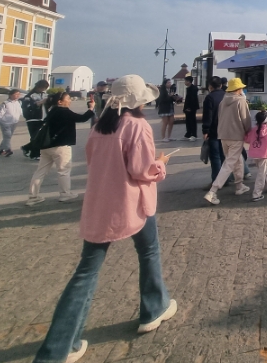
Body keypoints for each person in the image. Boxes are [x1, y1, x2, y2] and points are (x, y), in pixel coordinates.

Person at [31, 75, 176, 363]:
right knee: (148, 252)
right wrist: (161, 164)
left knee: (86, 273)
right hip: (134, 203)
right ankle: (152, 310)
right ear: (139, 102)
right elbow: (141, 170)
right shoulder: (137, 126)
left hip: (100, 206)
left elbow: (95, 161)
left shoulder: (100, 126)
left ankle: (58, 348)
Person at [27, 91, 95, 206]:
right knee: (63, 170)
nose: (70, 101)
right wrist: (91, 109)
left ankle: (33, 196)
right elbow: (82, 118)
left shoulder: (52, 111)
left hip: (46, 146)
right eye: (68, 99)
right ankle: (65, 194)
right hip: (61, 146)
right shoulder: (63, 111)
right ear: (60, 101)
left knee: (41, 171)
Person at [203, 78, 253, 205]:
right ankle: (213, 191)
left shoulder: (223, 101)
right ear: (238, 89)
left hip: (223, 135)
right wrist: (248, 131)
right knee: (229, 163)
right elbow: (246, 119)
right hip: (236, 135)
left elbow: (219, 117)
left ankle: (239, 185)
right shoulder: (240, 101)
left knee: (237, 160)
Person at [245, 110, 267, 202]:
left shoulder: (253, 130)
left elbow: (247, 139)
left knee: (263, 170)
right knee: (261, 174)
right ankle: (256, 194)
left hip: (254, 154)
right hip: (264, 154)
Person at [202, 77, 227, 183]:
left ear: (210, 86)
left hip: (214, 130)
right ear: (221, 85)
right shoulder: (226, 95)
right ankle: (226, 179)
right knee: (224, 155)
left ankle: (217, 180)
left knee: (215, 156)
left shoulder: (209, 98)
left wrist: (205, 130)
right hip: (226, 130)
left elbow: (208, 116)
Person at [20, 80, 50, 160]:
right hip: (33, 119)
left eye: (45, 88)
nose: (43, 89)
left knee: (42, 137)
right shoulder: (29, 96)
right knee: (35, 137)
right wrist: (38, 103)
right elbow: (27, 107)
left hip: (44, 118)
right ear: (38, 86)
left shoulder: (45, 94)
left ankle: (26, 147)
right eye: (42, 87)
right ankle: (35, 154)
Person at [0, 89, 22, 157]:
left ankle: (1, 149)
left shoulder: (18, 103)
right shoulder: (5, 103)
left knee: (8, 137)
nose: (17, 96)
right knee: (7, 136)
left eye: (18, 94)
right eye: (16, 94)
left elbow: (20, 112)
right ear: (10, 95)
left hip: (14, 122)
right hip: (5, 122)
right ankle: (7, 149)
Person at [182, 75, 199, 141]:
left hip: (191, 108)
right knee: (188, 121)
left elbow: (193, 99)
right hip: (187, 107)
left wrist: (189, 108)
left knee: (192, 121)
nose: (185, 82)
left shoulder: (193, 89)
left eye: (185, 81)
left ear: (189, 81)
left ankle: (194, 134)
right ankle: (188, 133)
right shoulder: (189, 88)